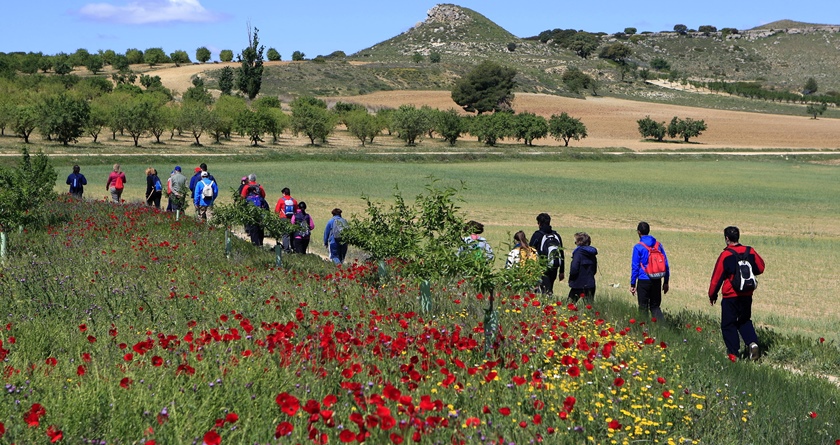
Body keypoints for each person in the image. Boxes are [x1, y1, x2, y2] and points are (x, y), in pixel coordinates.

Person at [708, 226, 765, 360]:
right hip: (747, 293)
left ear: (727, 238)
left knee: (728, 324)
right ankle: (752, 343)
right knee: (744, 320)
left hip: (730, 295)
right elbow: (761, 267)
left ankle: (734, 354)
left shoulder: (726, 254)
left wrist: (712, 294)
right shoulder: (750, 251)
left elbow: (717, 278)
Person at [630, 221, 670, 320]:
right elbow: (666, 264)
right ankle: (662, 328)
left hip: (643, 280)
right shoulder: (658, 245)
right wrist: (666, 282)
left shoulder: (638, 247)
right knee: (655, 307)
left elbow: (635, 267)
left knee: (643, 308)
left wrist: (632, 284)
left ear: (639, 232)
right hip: (657, 279)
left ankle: (644, 330)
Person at [529, 213, 565, 295]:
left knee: (544, 290)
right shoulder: (556, 235)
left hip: (541, 267)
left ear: (539, 223)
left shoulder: (537, 235)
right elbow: (561, 253)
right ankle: (548, 302)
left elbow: (530, 250)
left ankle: (546, 305)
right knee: (549, 287)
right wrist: (562, 271)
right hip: (554, 266)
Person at [567, 232, 598, 306]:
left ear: (579, 242)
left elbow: (574, 269)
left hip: (578, 284)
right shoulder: (592, 254)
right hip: (590, 284)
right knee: (589, 306)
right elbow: (594, 270)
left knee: (569, 305)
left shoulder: (578, 253)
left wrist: (571, 279)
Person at [243, 180, 268, 246]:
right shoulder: (260, 198)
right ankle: (261, 244)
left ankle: (255, 246)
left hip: (251, 218)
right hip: (260, 218)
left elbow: (244, 208)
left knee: (253, 232)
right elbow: (266, 207)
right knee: (260, 231)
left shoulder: (247, 199)